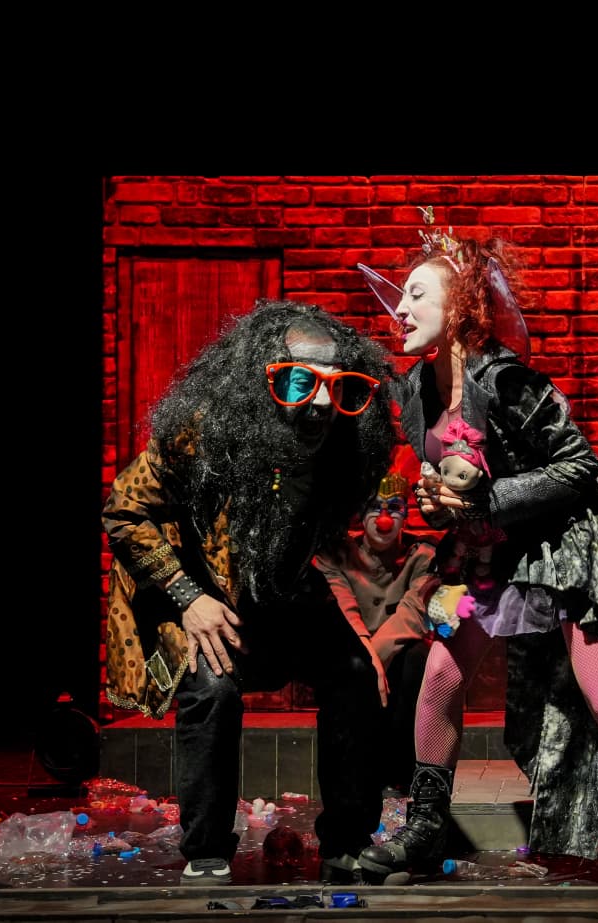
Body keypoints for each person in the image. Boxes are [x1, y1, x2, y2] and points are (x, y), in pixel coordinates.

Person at [353, 213, 598, 885]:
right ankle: (425, 827)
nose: (399, 309)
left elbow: (578, 466)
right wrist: (435, 503)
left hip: (561, 544)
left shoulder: (507, 382)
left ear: (458, 310)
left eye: (416, 295)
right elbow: (443, 483)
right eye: (400, 296)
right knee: (439, 677)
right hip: (486, 551)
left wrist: (485, 500)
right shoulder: (413, 392)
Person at [102, 299, 395, 886]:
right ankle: (207, 848)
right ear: (260, 382)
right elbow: (124, 511)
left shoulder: (343, 445)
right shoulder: (202, 433)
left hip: (282, 594)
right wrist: (188, 597)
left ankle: (347, 844)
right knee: (212, 689)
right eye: (299, 381)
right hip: (206, 596)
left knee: (356, 676)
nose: (320, 402)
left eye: (338, 386)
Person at [314, 453, 438, 796]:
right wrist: (367, 661)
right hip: (354, 655)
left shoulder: (423, 556)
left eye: (394, 508)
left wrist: (376, 662)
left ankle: (404, 776)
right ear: (360, 514)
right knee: (345, 668)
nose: (384, 519)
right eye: (374, 509)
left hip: (395, 662)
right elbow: (345, 611)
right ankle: (349, 781)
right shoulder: (337, 555)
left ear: (406, 515)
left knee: (419, 658)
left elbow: (413, 612)